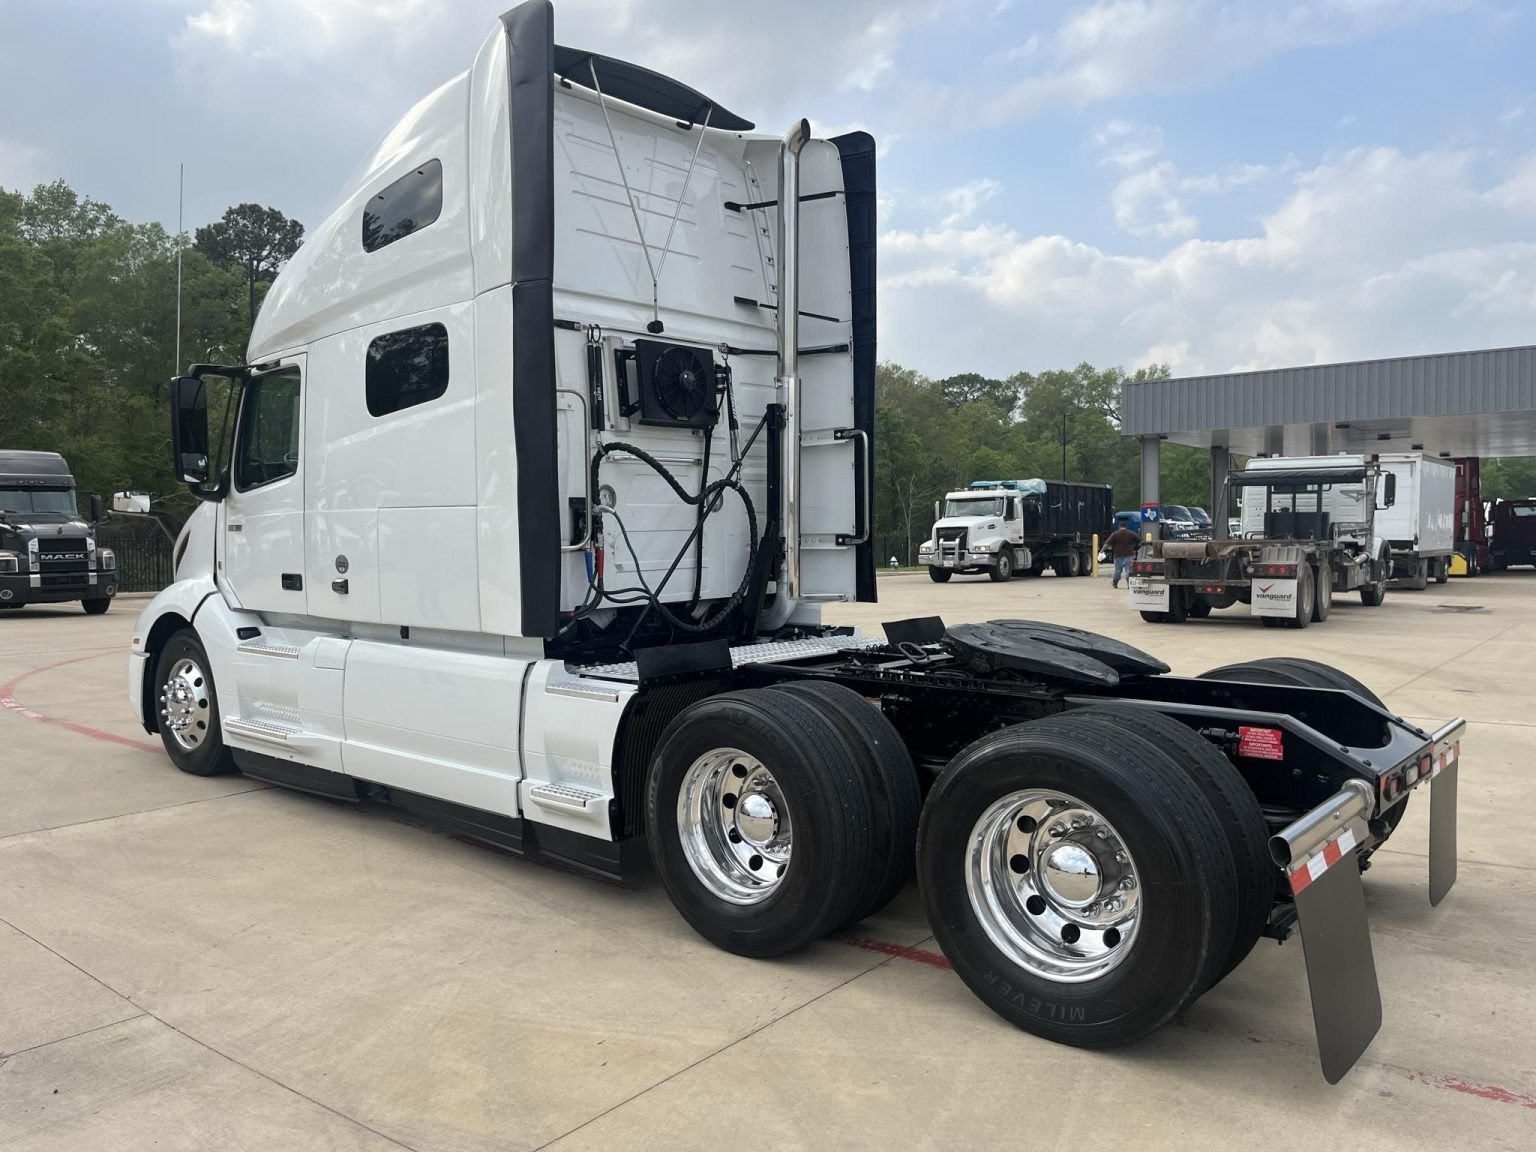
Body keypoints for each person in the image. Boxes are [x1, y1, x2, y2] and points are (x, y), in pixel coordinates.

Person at [1104, 524, 1141, 588]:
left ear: (1119, 527)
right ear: (1126, 527)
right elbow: (1139, 541)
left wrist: (1101, 551)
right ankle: (1129, 583)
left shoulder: (1115, 534)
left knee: (1117, 570)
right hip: (1129, 555)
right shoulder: (1132, 534)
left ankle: (1115, 583)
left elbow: (1107, 544)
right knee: (1128, 569)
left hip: (1118, 555)